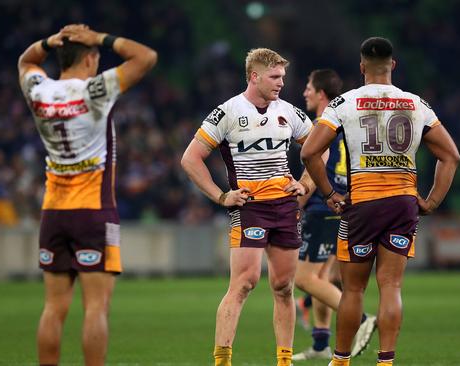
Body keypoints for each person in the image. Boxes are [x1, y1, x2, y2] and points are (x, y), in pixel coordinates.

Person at [301, 37, 460, 366]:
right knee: (392, 285)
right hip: (403, 201)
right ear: (393, 66)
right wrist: (430, 201)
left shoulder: (344, 103)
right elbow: (451, 156)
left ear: (361, 68)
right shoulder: (417, 104)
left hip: (363, 201)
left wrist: (329, 193)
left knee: (354, 290)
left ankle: (341, 360)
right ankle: (386, 361)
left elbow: (309, 152)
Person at [18, 24, 157, 366]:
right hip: (93, 209)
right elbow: (146, 57)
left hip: (53, 210)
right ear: (91, 58)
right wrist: (101, 38)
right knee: (96, 306)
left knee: (53, 307)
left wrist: (50, 42)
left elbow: (25, 61)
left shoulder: (40, 90)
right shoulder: (95, 90)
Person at [181, 48, 312, 366]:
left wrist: (305, 183)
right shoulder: (227, 112)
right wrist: (221, 196)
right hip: (250, 205)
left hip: (284, 206)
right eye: (275, 77)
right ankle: (222, 359)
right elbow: (190, 158)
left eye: (282, 76)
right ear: (254, 76)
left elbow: (316, 149)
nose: (281, 82)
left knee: (283, 286)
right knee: (244, 282)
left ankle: (284, 360)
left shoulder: (289, 112)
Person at [293, 69, 376, 361]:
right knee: (323, 277)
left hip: (321, 208)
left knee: (303, 279)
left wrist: (295, 205)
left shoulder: (321, 125)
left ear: (321, 94)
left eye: (308, 87)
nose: (305, 92)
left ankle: (362, 318)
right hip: (341, 206)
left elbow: (314, 166)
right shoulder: (344, 124)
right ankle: (320, 344)